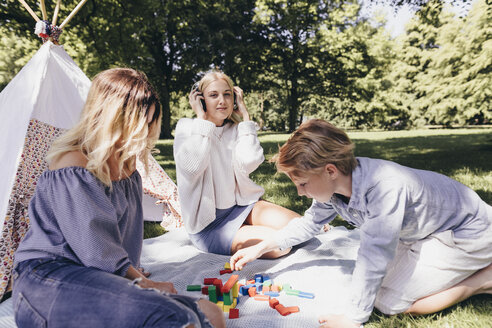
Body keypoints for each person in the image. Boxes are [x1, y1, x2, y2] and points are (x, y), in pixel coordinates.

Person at [12, 68, 225, 328]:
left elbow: (123, 241)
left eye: (150, 123)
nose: (146, 132)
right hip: (48, 279)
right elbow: (96, 250)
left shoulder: (127, 166)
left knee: (210, 314)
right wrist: (141, 282)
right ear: (113, 117)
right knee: (176, 319)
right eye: (140, 123)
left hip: (99, 279)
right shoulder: (74, 163)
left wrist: (131, 274)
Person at [230, 119, 492, 328]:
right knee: (371, 287)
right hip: (426, 234)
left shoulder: (384, 188)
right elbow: (309, 224)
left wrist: (353, 319)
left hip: (466, 235)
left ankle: (483, 279)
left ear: (330, 170)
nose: (300, 193)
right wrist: (261, 247)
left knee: (391, 302)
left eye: (303, 184)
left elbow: (375, 255)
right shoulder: (334, 189)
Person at [173, 70, 299, 256]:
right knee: (281, 245)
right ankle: (248, 231)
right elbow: (192, 168)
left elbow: (249, 162)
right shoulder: (187, 127)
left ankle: (250, 225)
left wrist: (245, 118)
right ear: (201, 100)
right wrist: (202, 120)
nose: (222, 101)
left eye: (227, 94)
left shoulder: (236, 129)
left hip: (242, 207)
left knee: (300, 227)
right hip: (210, 225)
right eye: (213, 95)